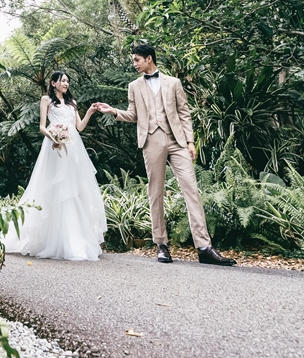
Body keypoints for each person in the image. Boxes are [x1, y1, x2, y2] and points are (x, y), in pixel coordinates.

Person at [94, 45, 236, 266]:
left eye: (136, 60)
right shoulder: (134, 86)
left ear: (149, 59)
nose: (134, 64)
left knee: (191, 190)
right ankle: (161, 244)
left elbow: (184, 113)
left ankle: (204, 247)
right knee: (156, 192)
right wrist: (113, 111)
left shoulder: (174, 83)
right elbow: (133, 115)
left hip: (177, 141)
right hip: (151, 140)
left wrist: (190, 141)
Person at [4, 71, 108, 261]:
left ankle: (76, 238)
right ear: (53, 83)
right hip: (54, 147)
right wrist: (55, 138)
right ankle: (53, 239)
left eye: (68, 81)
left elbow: (80, 127)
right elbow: (42, 126)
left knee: (75, 189)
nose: (66, 84)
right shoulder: (46, 100)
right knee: (56, 188)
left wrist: (91, 112)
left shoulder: (72, 102)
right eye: (63, 81)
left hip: (74, 147)